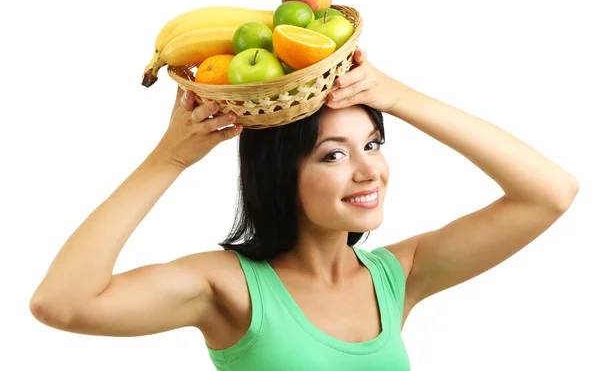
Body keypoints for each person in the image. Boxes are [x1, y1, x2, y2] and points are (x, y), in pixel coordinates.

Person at [29, 48, 579, 370]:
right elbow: (62, 303)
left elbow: (550, 192)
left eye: (374, 144)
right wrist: (167, 159)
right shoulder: (229, 287)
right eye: (334, 154)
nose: (369, 171)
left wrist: (397, 96)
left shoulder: (398, 276)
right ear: (280, 176)